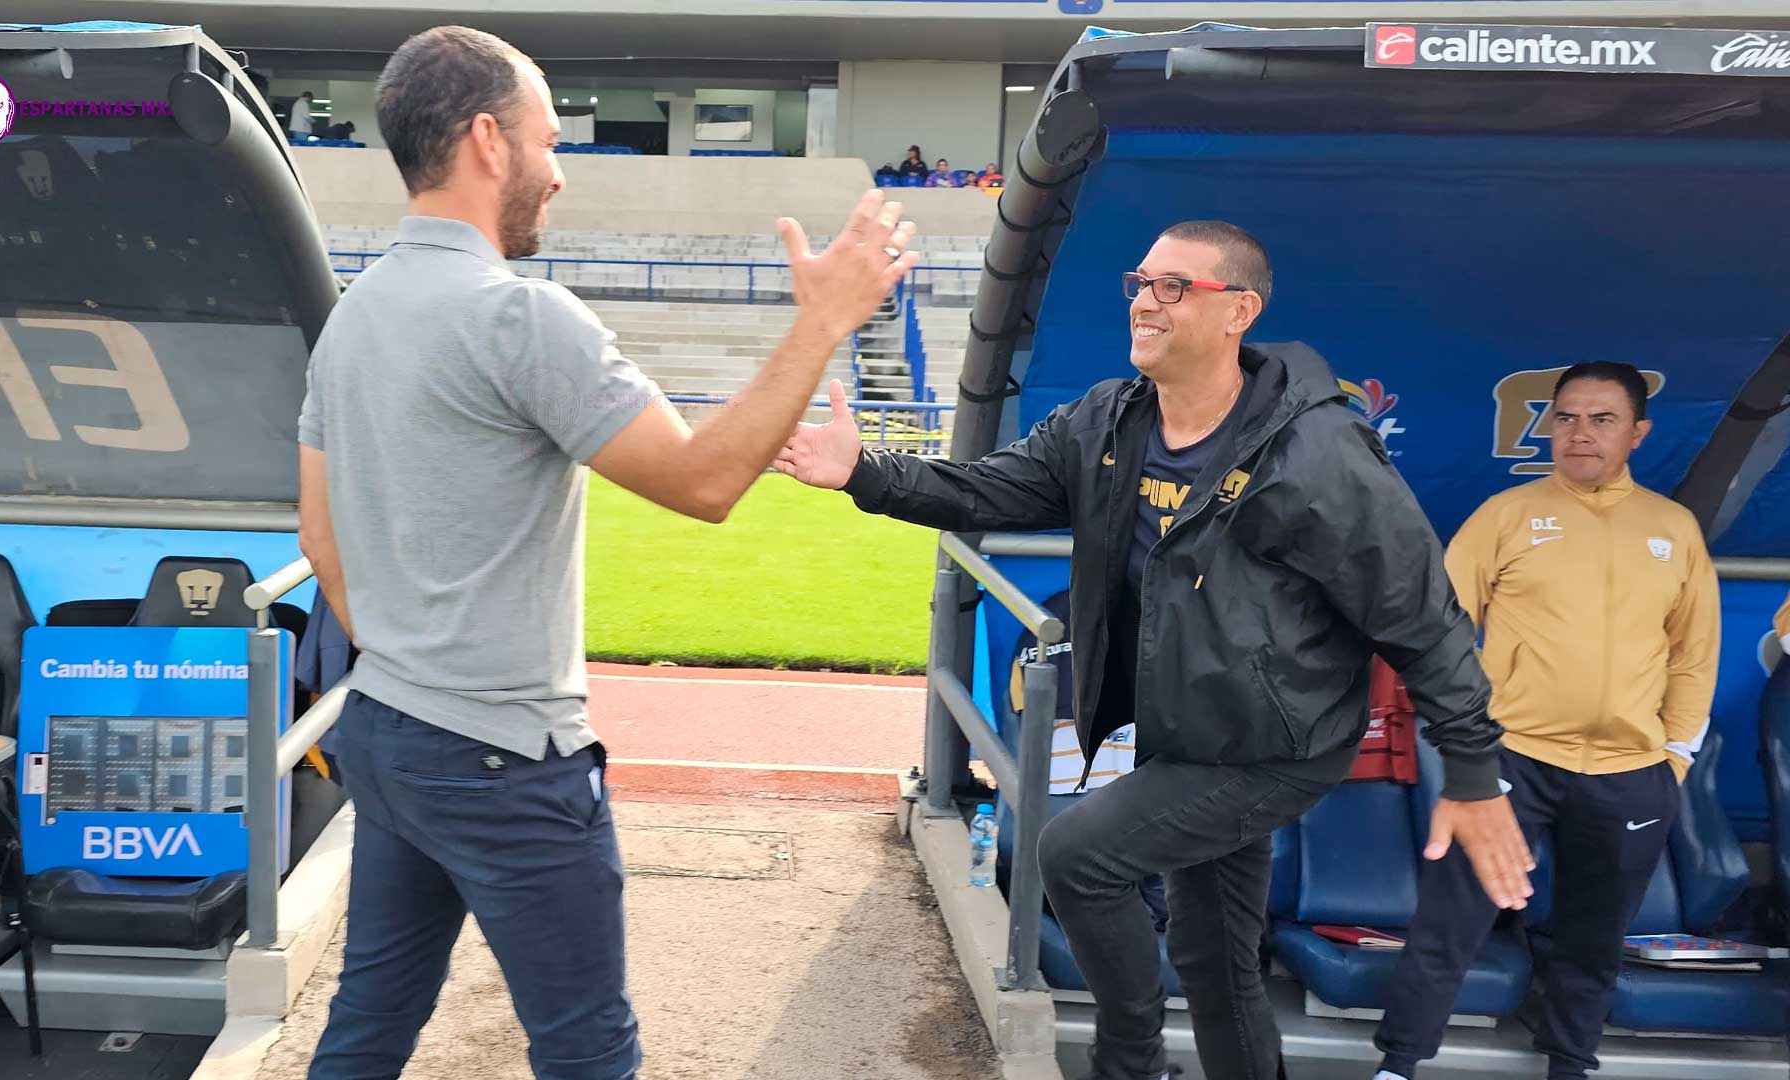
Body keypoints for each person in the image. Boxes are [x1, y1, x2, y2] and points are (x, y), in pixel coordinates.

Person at [295, 25, 916, 1080]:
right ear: (489, 142)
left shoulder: (353, 316)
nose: (559, 170)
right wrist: (821, 322)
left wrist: (414, 661)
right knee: (589, 1052)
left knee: (368, 1027)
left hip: (390, 727)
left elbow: (319, 538)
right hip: (503, 756)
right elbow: (704, 481)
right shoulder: (521, 318)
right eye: (548, 140)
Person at [775, 220, 1532, 1080]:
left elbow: (1419, 614)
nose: (1144, 300)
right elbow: (992, 488)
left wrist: (1472, 773)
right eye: (1140, 281)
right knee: (1215, 961)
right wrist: (866, 472)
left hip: (1274, 747)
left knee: (1074, 855)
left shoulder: (1316, 451)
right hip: (1186, 732)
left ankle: (1129, 1063)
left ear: (1238, 311)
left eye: (1175, 286)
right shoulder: (1109, 419)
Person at [1372, 361, 1721, 1080]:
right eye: (1565, 418)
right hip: (1510, 764)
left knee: (1593, 939)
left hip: (1630, 775)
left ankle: (1569, 1064)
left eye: (1602, 419)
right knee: (1450, 924)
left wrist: (1674, 759)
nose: (1580, 434)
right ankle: (1398, 1065)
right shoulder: (1507, 515)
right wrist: (1460, 742)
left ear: (1638, 434)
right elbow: (1438, 633)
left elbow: (1693, 658)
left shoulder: (1673, 530)